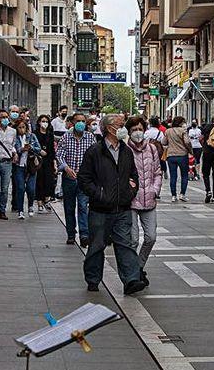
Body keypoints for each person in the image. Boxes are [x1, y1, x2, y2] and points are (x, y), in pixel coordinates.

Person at [78, 115, 147, 295]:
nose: (123, 128)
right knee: (97, 245)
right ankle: (93, 278)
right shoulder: (94, 151)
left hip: (122, 207)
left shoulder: (126, 151)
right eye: (119, 125)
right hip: (100, 209)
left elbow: (134, 175)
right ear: (109, 128)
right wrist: (98, 194)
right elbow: (84, 178)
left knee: (125, 244)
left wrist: (131, 190)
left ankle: (131, 280)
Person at [127, 116, 162, 284]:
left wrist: (155, 190)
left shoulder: (152, 149)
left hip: (149, 199)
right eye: (134, 130)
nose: (137, 133)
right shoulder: (125, 150)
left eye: (140, 129)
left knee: (151, 237)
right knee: (133, 240)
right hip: (131, 201)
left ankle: (138, 267)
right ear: (128, 132)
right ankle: (134, 274)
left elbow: (157, 172)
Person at [56, 112, 92, 246]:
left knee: (83, 206)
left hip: (84, 179)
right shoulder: (66, 137)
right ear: (72, 123)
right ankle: (71, 233)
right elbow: (59, 155)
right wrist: (66, 168)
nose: (81, 124)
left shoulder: (90, 137)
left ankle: (84, 234)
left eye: (83, 121)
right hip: (69, 178)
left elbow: (94, 157)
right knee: (69, 207)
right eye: (78, 121)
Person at [11, 118, 44, 219]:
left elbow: (39, 149)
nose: (21, 129)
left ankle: (30, 205)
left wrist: (31, 148)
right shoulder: (14, 138)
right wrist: (21, 150)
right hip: (19, 166)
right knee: (20, 188)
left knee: (31, 188)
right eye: (19, 127)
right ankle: (20, 211)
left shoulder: (32, 136)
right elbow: (12, 149)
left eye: (23, 127)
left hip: (31, 166)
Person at [163, 116, 191, 202]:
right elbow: (187, 142)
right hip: (182, 155)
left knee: (173, 176)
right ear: (180, 123)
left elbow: (164, 142)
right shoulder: (183, 131)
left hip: (171, 156)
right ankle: (182, 194)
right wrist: (190, 150)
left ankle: (173, 196)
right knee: (184, 175)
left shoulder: (168, 131)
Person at [34, 114, 57, 211]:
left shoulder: (50, 134)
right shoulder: (35, 134)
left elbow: (52, 150)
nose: (44, 123)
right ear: (39, 122)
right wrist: (39, 151)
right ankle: (39, 202)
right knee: (39, 180)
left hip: (48, 160)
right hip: (38, 160)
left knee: (49, 181)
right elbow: (32, 145)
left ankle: (46, 200)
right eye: (43, 121)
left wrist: (54, 163)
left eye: (46, 121)